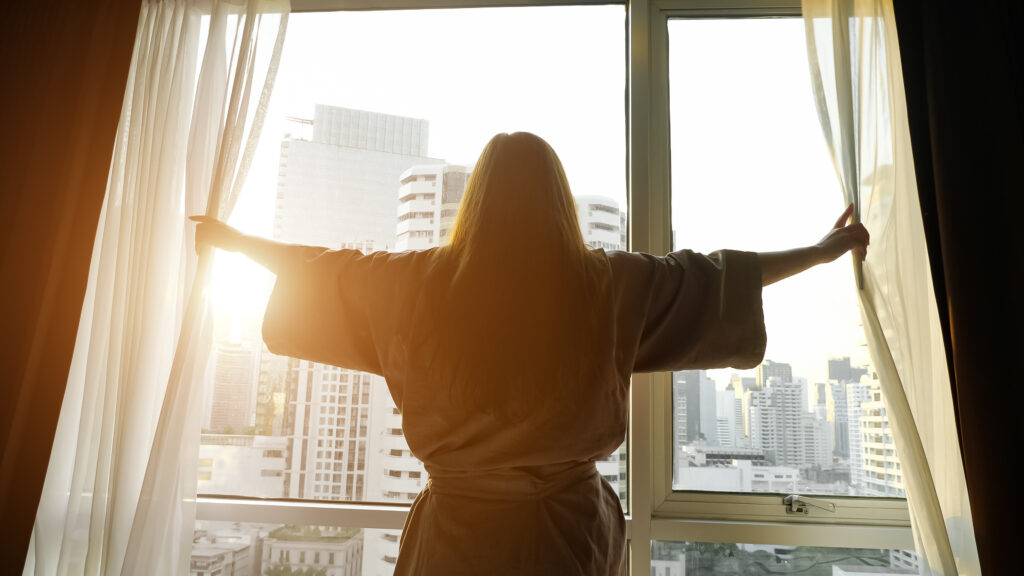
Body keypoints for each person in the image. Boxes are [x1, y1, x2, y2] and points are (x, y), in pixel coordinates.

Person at [193, 131, 868, 575]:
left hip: (455, 543)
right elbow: (717, 277)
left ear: (476, 202)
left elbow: (320, 269)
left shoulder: (419, 283)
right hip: (567, 542)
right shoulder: (606, 285)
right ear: (559, 201)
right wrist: (822, 251)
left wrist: (233, 242)